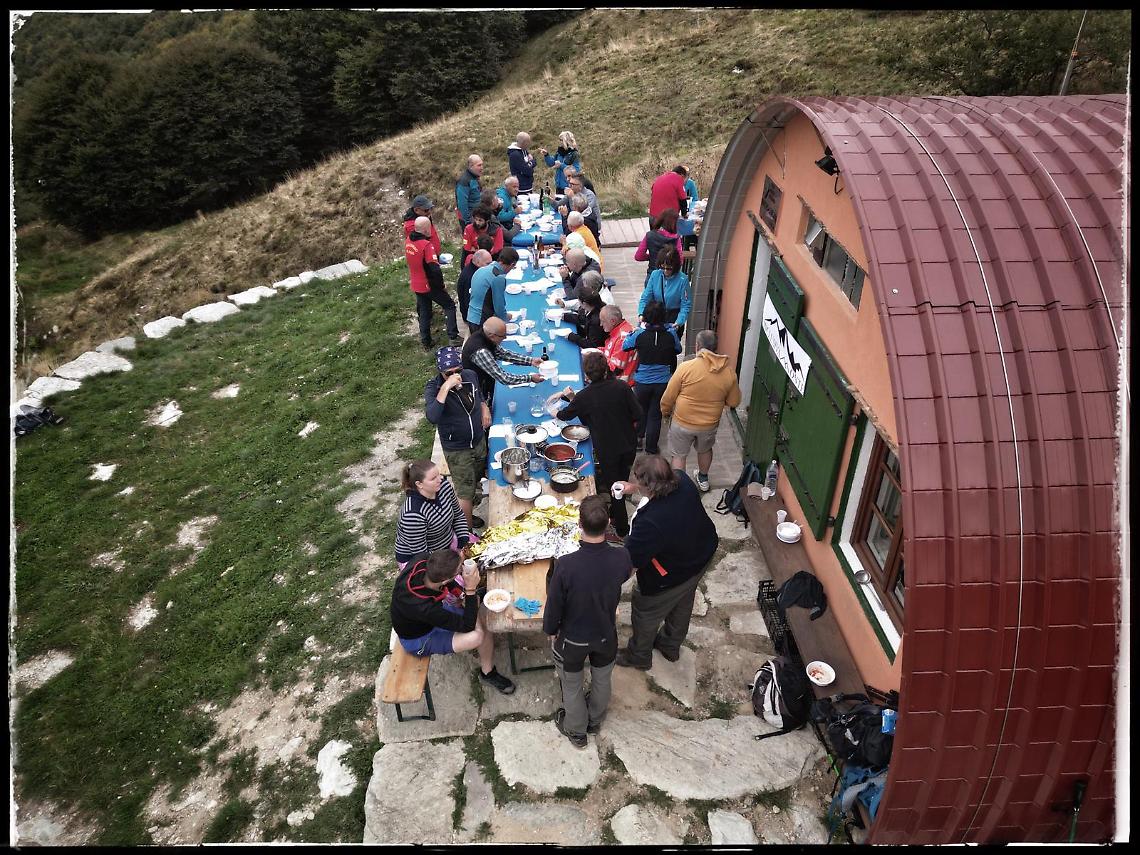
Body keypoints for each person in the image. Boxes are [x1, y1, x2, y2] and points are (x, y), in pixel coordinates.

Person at [612, 455, 719, 670]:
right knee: (683, 601)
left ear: (649, 487)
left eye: (638, 480)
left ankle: (639, 656)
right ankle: (670, 646)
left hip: (670, 573)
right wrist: (633, 488)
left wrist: (607, 580)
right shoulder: (682, 480)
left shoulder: (650, 521)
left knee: (645, 611)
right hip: (702, 552)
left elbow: (631, 564)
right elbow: (657, 487)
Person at [544, 495, 633, 746]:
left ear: (579, 524)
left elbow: (554, 604)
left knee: (572, 685)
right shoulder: (622, 557)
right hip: (605, 634)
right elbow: (622, 576)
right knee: (602, 679)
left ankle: (576, 730)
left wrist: (551, 629)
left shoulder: (566, 565)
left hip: (572, 639)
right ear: (608, 524)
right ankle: (595, 720)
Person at [390, 548, 516, 695]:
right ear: (445, 579)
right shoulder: (424, 607)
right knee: (477, 635)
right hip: (419, 638)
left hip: (424, 617)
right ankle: (488, 674)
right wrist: (470, 590)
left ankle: (487, 668)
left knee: (481, 620)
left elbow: (446, 581)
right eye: (459, 571)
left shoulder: (423, 560)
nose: (462, 570)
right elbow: (467, 626)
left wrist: (462, 595)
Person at [554, 353, 642, 536]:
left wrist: (555, 408)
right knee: (622, 478)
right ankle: (616, 510)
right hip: (628, 443)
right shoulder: (622, 387)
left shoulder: (585, 396)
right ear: (606, 369)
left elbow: (565, 415)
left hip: (607, 449)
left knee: (615, 487)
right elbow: (638, 414)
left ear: (587, 375)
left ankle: (621, 528)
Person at [660, 330, 741, 493]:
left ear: (697, 346)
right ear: (716, 347)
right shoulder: (728, 372)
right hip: (709, 424)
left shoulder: (686, 367)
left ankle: (679, 487)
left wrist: (666, 412)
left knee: (679, 455)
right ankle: (703, 479)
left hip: (682, 421)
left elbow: (668, 397)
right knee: (705, 450)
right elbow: (734, 402)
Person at [425, 346, 492, 527]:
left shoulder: (470, 375)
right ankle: (467, 534)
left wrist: (484, 407)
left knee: (475, 478)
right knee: (464, 492)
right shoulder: (434, 387)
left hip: (478, 440)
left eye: (458, 371)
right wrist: (446, 387)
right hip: (458, 449)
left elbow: (479, 394)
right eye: (449, 373)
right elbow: (432, 416)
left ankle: (468, 511)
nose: (455, 376)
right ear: (441, 372)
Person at [622, 301, 681, 454]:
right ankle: (651, 448)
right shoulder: (670, 334)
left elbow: (625, 346)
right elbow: (678, 349)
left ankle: (638, 440)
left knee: (640, 411)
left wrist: (633, 332)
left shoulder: (639, 334)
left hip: (642, 382)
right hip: (662, 382)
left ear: (646, 317)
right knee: (655, 415)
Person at [394, 460, 471, 567]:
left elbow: (458, 516)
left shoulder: (445, 487)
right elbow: (421, 554)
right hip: (421, 559)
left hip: (445, 542)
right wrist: (453, 561)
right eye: (433, 478)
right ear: (419, 484)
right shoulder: (412, 514)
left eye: (439, 474)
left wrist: (462, 545)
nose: (440, 479)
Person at [460, 315, 544, 406]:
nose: (505, 338)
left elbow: (503, 354)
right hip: (477, 390)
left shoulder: (486, 336)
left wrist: (530, 361)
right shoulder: (481, 351)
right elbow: (504, 378)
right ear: (492, 336)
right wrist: (530, 378)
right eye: (503, 336)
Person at [405, 215, 461, 351]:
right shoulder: (426, 246)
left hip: (416, 283)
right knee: (449, 305)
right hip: (428, 284)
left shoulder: (409, 241)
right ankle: (453, 336)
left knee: (424, 312)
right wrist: (441, 285)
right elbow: (434, 269)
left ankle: (426, 341)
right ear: (425, 229)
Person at [637, 246, 692, 336]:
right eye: (663, 267)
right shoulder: (655, 275)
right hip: (656, 316)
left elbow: (685, 305)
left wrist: (679, 322)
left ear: (675, 266)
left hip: (673, 317)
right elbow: (645, 297)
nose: (665, 271)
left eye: (669, 268)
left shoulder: (683, 279)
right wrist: (641, 313)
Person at [467, 246, 518, 330]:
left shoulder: (482, 269)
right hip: (482, 321)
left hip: (471, 316)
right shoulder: (498, 278)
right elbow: (499, 308)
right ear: (512, 264)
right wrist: (506, 317)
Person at [633, 208, 683, 283]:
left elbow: (638, 256)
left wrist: (651, 257)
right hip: (670, 277)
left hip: (652, 275)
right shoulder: (676, 239)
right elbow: (680, 260)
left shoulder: (650, 235)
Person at [457, 243, 494, 334]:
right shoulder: (471, 277)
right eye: (488, 264)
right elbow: (468, 302)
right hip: (473, 319)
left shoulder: (476, 270)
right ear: (477, 263)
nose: (491, 267)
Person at [600, 304, 638, 386]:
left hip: (621, 384)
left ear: (613, 321)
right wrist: (597, 351)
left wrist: (597, 358)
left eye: (603, 321)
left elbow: (615, 369)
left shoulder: (622, 338)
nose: (601, 324)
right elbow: (610, 352)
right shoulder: (619, 330)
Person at [562, 283, 606, 349]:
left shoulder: (595, 321)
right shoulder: (595, 308)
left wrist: (572, 337)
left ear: (584, 303)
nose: (578, 303)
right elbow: (583, 319)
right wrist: (564, 316)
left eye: (579, 301)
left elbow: (592, 345)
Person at [561, 173, 601, 243]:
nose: (570, 186)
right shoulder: (573, 192)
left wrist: (565, 216)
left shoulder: (589, 195)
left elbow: (570, 232)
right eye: (569, 183)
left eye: (572, 184)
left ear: (580, 186)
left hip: (589, 231)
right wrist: (551, 200)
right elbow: (559, 204)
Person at [455, 154, 484, 231]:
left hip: (478, 217)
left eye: (482, 165)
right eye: (479, 165)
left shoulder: (475, 178)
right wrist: (469, 222)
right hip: (470, 220)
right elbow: (462, 204)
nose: (482, 168)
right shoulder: (464, 181)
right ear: (471, 166)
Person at [495, 175, 524, 242]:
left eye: (517, 187)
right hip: (502, 232)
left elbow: (509, 205)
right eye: (514, 187)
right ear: (507, 186)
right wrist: (514, 212)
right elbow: (500, 217)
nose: (517, 189)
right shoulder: (502, 197)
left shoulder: (508, 194)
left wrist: (514, 205)